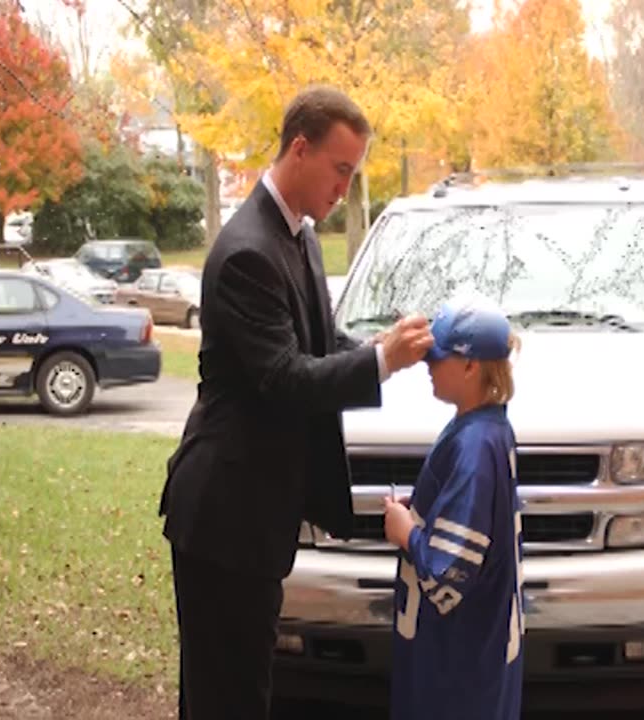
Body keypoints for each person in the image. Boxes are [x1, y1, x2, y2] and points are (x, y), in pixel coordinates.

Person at [157, 85, 435, 720]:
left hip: (254, 513)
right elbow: (285, 380)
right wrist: (380, 360)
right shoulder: (247, 252)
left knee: (237, 682)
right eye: (341, 170)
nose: (344, 187)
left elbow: (314, 341)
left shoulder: (299, 236)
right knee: (227, 694)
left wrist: (382, 348)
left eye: (353, 173)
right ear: (300, 150)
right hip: (224, 514)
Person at [381, 295, 525, 720]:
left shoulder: (475, 447)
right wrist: (421, 512)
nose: (427, 365)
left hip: (458, 673)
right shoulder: (484, 428)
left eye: (436, 358)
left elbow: (450, 576)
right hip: (467, 661)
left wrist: (405, 531)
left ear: (470, 366)